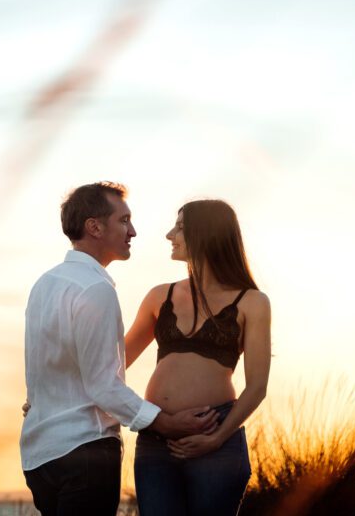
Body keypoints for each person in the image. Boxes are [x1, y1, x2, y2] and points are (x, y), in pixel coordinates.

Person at [20, 182, 220, 516]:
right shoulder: (96, 289)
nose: (133, 231)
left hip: (39, 457)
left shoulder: (44, 284)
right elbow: (103, 385)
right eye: (123, 220)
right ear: (94, 227)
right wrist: (163, 422)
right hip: (86, 451)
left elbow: (44, 370)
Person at [125, 199, 271, 515]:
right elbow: (111, 364)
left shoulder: (253, 302)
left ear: (206, 234)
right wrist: (51, 393)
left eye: (179, 227)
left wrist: (217, 437)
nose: (169, 235)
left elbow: (257, 386)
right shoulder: (158, 296)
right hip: (156, 438)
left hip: (216, 437)